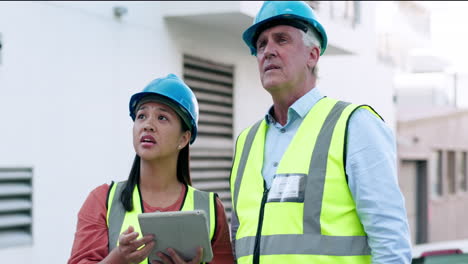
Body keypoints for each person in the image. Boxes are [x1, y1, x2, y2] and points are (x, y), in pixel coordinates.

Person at [229, 1, 412, 264]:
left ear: (312, 55)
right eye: (261, 44)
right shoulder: (247, 141)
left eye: (281, 40)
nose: (268, 51)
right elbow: (240, 239)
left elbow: (390, 243)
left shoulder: (354, 125)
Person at [68, 74, 234, 264]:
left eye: (162, 117)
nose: (148, 125)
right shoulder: (102, 200)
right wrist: (118, 258)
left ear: (184, 138)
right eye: (141, 116)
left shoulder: (211, 208)